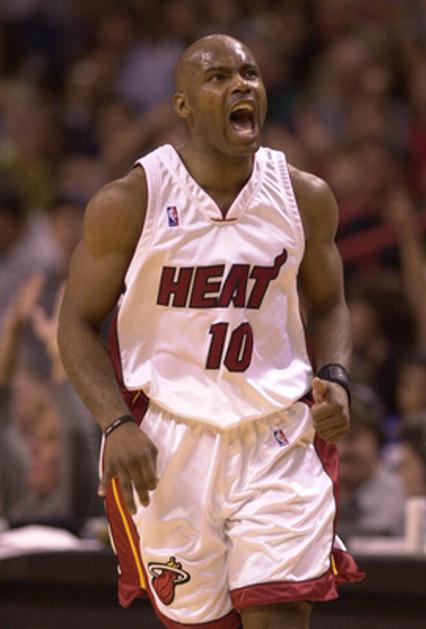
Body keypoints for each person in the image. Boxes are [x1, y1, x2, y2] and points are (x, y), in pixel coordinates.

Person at [58, 35, 363, 629]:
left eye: (249, 73)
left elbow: (330, 303)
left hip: (276, 431)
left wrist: (335, 375)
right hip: (170, 439)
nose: (240, 85)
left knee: (282, 612)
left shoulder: (304, 197)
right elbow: (75, 321)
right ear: (183, 105)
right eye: (218, 77)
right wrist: (115, 422)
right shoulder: (130, 202)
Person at [337, 385, 405, 542]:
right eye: (331, 439)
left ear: (377, 440)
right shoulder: (306, 497)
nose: (341, 450)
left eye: (352, 438)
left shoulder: (403, 500)